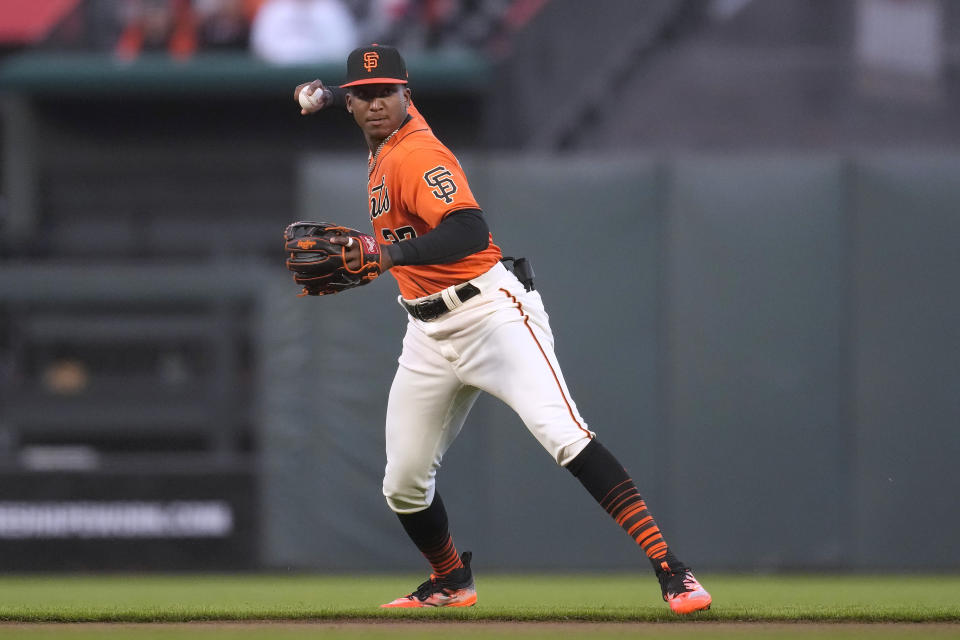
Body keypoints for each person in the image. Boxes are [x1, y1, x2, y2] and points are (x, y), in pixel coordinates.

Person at [291, 44, 712, 615]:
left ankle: (674, 573)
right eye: (363, 96)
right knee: (403, 483)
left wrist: (386, 256)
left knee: (565, 434)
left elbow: (469, 229)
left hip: (491, 314)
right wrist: (323, 89)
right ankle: (450, 581)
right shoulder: (380, 138)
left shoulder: (416, 152)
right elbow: (356, 92)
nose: (375, 105)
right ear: (350, 102)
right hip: (427, 333)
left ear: (406, 96)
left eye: (386, 93)